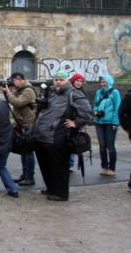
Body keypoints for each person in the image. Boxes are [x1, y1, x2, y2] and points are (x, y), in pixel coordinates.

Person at [33, 70, 92, 201]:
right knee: (47, 165)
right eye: (56, 79)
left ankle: (61, 193)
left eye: (61, 79)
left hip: (58, 137)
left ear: (67, 81)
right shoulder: (52, 92)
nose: (58, 82)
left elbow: (87, 112)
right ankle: (51, 188)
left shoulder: (74, 94)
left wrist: (76, 123)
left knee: (59, 167)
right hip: (43, 137)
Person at [2, 72, 37, 186]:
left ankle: (30, 177)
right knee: (23, 151)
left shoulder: (28, 90)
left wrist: (8, 92)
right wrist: (7, 91)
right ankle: (25, 175)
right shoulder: (19, 89)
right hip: (21, 123)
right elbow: (11, 100)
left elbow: (18, 102)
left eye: (14, 80)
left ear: (20, 79)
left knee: (28, 152)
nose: (12, 83)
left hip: (29, 124)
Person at [93, 75, 121, 176]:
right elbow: (95, 104)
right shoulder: (98, 92)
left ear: (109, 82)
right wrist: (95, 111)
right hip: (99, 122)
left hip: (110, 122)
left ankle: (112, 168)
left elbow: (117, 108)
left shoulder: (115, 92)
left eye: (104, 82)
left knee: (110, 146)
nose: (102, 84)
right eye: (101, 82)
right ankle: (104, 167)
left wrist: (115, 122)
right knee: (102, 146)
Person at [68, 72, 87, 172]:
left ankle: (70, 163)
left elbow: (85, 111)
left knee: (73, 142)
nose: (79, 83)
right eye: (77, 81)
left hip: (75, 122)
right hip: (67, 121)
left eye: (80, 81)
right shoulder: (69, 91)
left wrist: (77, 122)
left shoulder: (81, 93)